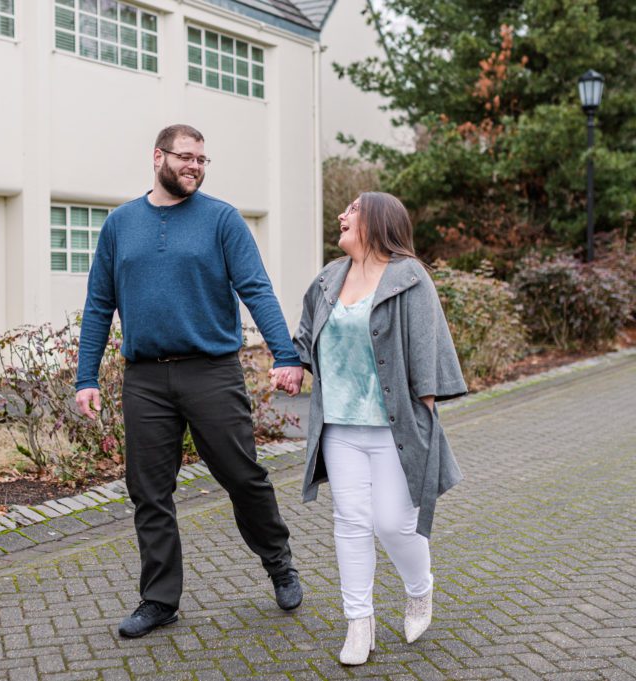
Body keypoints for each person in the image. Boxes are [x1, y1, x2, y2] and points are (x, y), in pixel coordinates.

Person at [75, 124, 306, 639]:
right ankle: (159, 600)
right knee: (149, 492)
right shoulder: (120, 224)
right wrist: (85, 376)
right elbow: (98, 305)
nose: (195, 167)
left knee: (243, 477)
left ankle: (279, 562)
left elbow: (257, 290)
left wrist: (286, 353)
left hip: (211, 371)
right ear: (158, 157)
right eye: (186, 157)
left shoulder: (222, 220)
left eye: (202, 159)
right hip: (145, 379)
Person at [285, 192, 466, 665]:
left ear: (378, 222)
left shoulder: (410, 278)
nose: (342, 216)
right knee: (351, 521)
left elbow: (429, 349)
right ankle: (358, 623)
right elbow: (306, 335)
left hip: (393, 426)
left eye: (353, 210)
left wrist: (425, 417)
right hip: (339, 425)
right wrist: (292, 365)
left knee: (394, 523)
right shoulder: (328, 278)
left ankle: (419, 590)